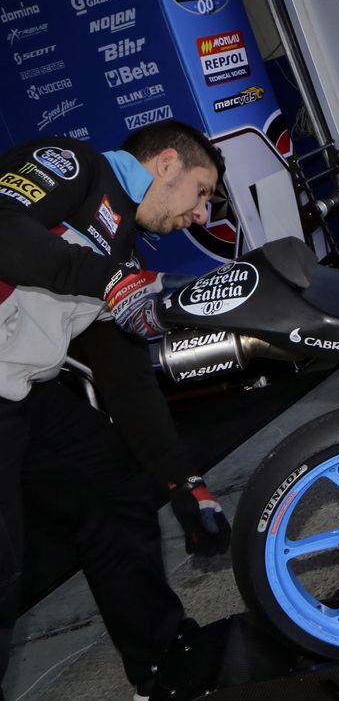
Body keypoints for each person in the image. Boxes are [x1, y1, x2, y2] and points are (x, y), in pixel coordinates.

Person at [0, 120, 226, 698]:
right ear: (167, 164)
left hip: (20, 390)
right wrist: (110, 281)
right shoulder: (73, 165)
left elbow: (124, 380)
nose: (202, 215)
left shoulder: (120, 248)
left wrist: (186, 484)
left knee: (114, 489)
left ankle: (162, 661)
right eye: (203, 191)